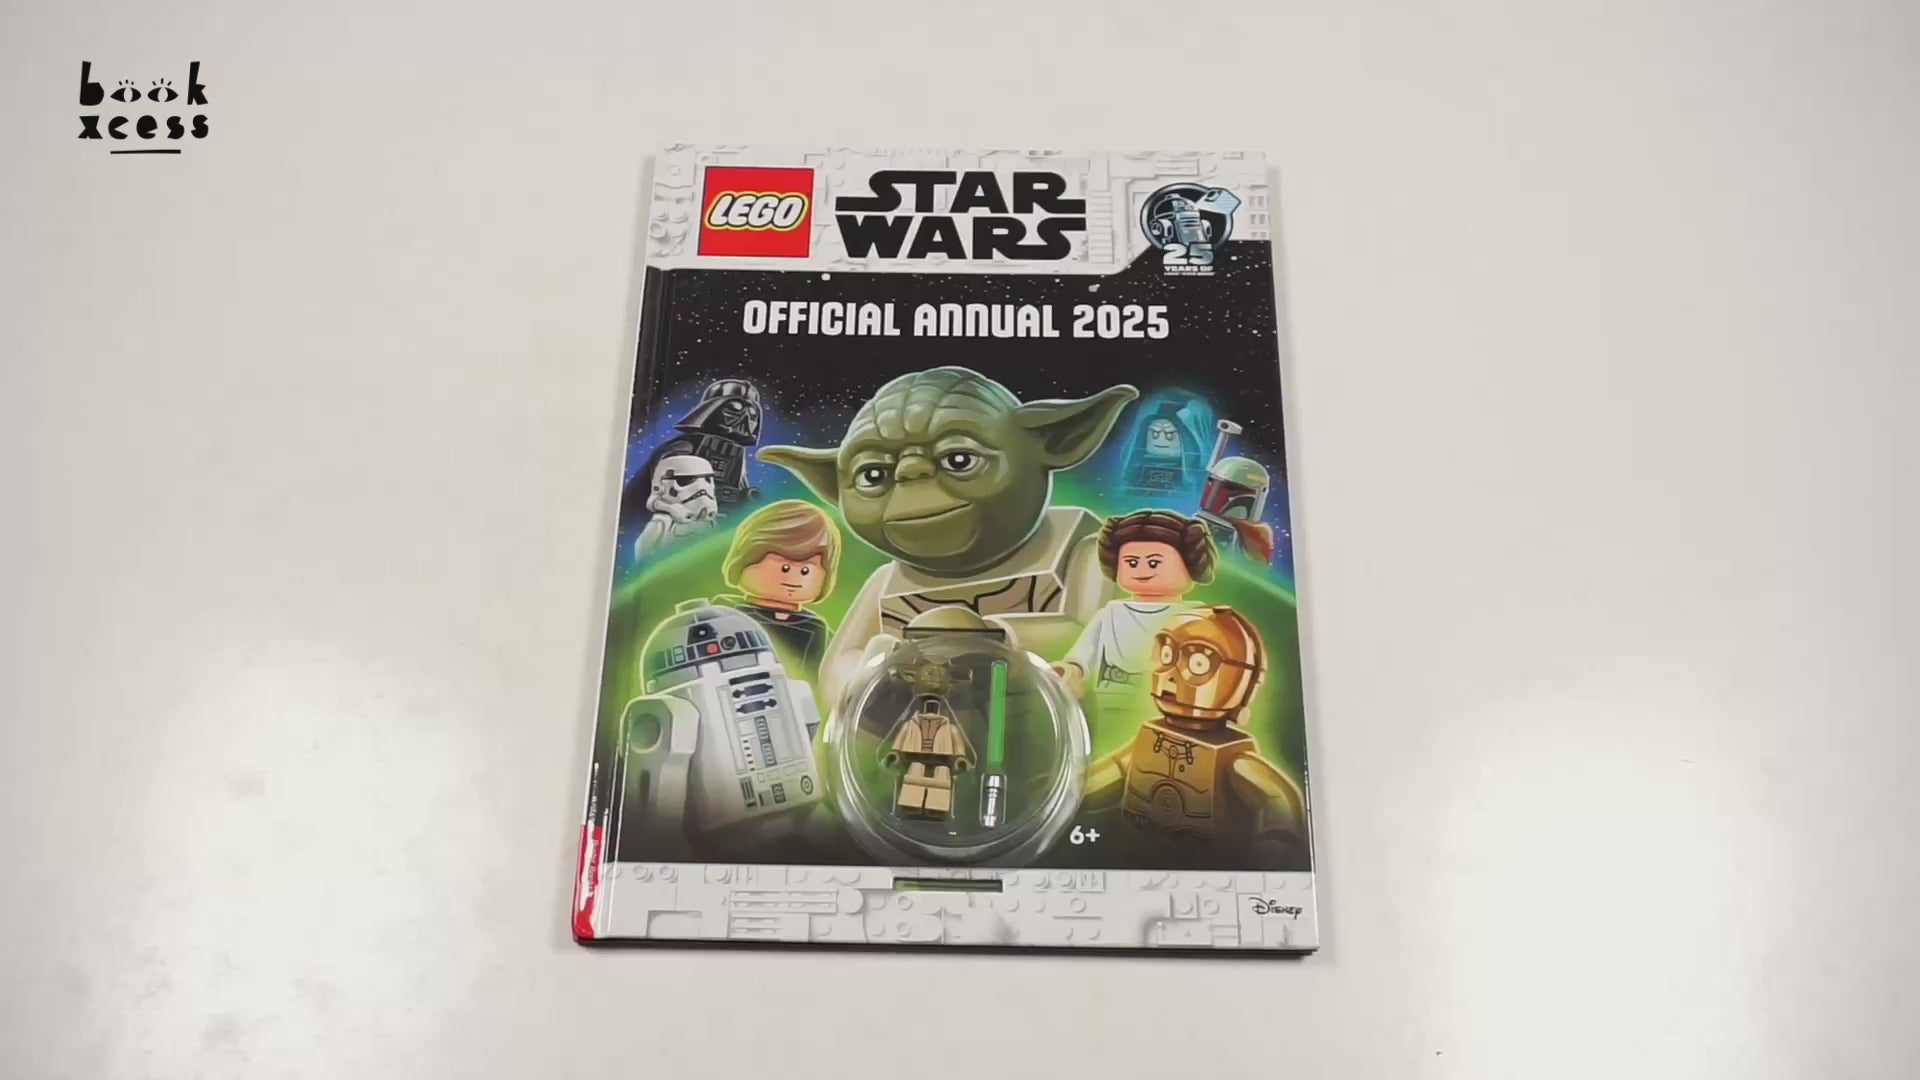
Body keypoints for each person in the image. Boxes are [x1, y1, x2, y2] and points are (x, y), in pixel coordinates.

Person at [1053, 510, 1216, 730]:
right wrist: (1072, 669)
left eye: (1154, 563)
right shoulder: (1109, 614)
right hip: (1112, 701)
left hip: (1174, 705)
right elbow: (1085, 650)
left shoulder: (1196, 616)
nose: (1141, 570)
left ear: (1191, 564)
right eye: (1131, 562)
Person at [714, 500, 840, 681]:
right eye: (785, 568)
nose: (794, 579)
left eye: (805, 571)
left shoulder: (817, 628)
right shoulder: (726, 616)